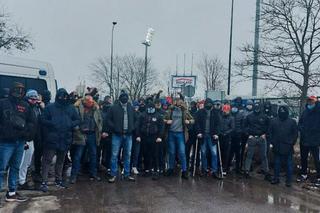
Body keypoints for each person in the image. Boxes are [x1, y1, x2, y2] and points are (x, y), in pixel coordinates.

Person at [0, 82, 36, 202]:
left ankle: (11, 193)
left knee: (15, 167)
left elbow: (32, 122)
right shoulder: (2, 103)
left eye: (21, 90)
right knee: (1, 168)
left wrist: (26, 134)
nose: (19, 91)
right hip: (5, 142)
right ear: (12, 89)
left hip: (20, 142)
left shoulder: (25, 106)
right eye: (17, 89)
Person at [40, 88, 80, 192]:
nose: (63, 98)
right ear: (57, 96)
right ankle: (44, 181)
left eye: (65, 96)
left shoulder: (71, 108)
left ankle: (58, 180)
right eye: (61, 96)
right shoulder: (50, 107)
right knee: (47, 160)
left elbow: (78, 119)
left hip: (65, 138)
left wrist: (70, 124)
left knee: (61, 161)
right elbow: (43, 119)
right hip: (52, 138)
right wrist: (52, 123)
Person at [70, 95, 103, 184]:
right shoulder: (77, 108)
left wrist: (99, 129)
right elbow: (73, 120)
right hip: (81, 134)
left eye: (92, 102)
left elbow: (99, 120)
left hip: (92, 134)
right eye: (90, 102)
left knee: (93, 155)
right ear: (85, 102)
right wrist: (77, 129)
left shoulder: (96, 108)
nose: (91, 103)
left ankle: (93, 174)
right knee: (78, 156)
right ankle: (73, 175)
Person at [107, 91, 137, 183]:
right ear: (120, 98)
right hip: (117, 135)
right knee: (114, 155)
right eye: (123, 97)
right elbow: (108, 120)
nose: (124, 98)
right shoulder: (113, 108)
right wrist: (115, 128)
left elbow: (136, 119)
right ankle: (113, 174)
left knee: (127, 155)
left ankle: (127, 174)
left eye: (126, 97)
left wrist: (132, 128)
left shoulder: (131, 108)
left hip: (128, 135)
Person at [164, 96, 194, 179]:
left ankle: (184, 170)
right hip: (171, 133)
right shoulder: (170, 110)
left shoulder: (184, 111)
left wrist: (189, 121)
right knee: (172, 152)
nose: (178, 102)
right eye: (176, 101)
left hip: (180, 134)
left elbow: (192, 119)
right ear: (174, 102)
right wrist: (167, 121)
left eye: (179, 101)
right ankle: (171, 168)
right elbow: (163, 119)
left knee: (182, 152)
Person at [18, 90, 43, 190]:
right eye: (32, 99)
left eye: (35, 99)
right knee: (19, 161)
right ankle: (17, 181)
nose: (34, 101)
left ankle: (22, 180)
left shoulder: (36, 108)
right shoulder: (23, 107)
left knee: (26, 162)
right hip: (23, 138)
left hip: (32, 138)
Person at [269, 106, 298, 187]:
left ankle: (289, 180)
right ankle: (276, 178)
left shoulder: (292, 122)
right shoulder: (273, 121)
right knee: (277, 163)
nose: (282, 113)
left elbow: (295, 134)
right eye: (281, 111)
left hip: (288, 146)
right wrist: (273, 142)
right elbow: (270, 132)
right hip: (277, 145)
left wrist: (291, 143)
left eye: (284, 111)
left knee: (289, 164)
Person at [136, 102, 164, 180]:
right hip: (144, 137)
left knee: (155, 155)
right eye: (149, 108)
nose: (150, 109)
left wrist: (159, 137)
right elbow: (138, 125)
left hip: (155, 138)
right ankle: (147, 170)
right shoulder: (142, 115)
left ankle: (156, 171)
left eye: (152, 108)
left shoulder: (158, 116)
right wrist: (138, 135)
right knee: (145, 154)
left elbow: (161, 127)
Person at [243, 102, 271, 181]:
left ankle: (266, 172)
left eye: (258, 107)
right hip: (252, 138)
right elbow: (244, 126)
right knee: (249, 155)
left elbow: (269, 126)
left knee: (264, 156)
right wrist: (248, 135)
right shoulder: (249, 116)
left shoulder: (264, 116)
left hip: (262, 138)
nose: (257, 108)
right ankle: (246, 171)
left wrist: (265, 134)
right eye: (255, 107)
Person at [195, 98, 221, 178]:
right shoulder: (200, 112)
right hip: (203, 135)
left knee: (214, 153)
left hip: (212, 136)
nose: (208, 105)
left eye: (210, 104)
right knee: (203, 153)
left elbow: (218, 124)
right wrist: (198, 132)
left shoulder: (215, 113)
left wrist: (217, 133)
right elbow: (197, 123)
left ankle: (214, 171)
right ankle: (204, 169)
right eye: (207, 104)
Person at [297, 96, 320, 186]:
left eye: (311, 101)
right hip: (304, 140)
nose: (310, 102)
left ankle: (319, 176)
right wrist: (301, 129)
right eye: (309, 101)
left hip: (315, 140)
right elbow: (300, 123)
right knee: (303, 158)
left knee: (316, 159)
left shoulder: (318, 112)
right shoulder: (305, 112)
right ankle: (303, 174)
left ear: (315, 101)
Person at [228, 104, 245, 173]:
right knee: (230, 153)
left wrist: (240, 132)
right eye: (233, 107)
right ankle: (228, 166)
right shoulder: (229, 115)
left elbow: (243, 125)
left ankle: (238, 168)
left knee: (238, 153)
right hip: (230, 136)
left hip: (238, 136)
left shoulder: (241, 115)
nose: (234, 109)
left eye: (235, 107)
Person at [219, 104, 234, 174]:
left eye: (227, 110)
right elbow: (218, 125)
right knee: (220, 152)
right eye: (224, 110)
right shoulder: (220, 117)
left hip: (227, 137)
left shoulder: (231, 118)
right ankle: (220, 166)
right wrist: (220, 132)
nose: (225, 111)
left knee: (226, 153)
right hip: (220, 136)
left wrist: (226, 133)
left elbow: (232, 128)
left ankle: (225, 167)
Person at [185, 101, 200, 174]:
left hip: (195, 134)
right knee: (188, 150)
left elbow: (197, 123)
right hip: (190, 133)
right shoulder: (189, 112)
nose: (192, 106)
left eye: (192, 105)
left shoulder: (197, 112)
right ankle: (187, 165)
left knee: (196, 151)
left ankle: (195, 166)